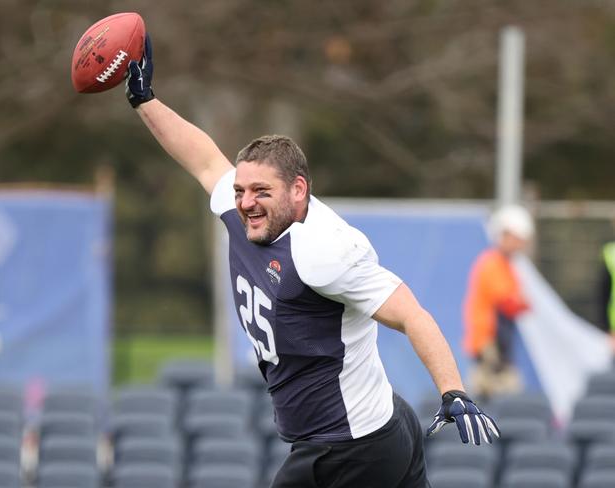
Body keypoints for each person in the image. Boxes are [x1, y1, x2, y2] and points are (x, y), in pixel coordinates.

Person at [123, 36, 499, 488]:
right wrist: (144, 100)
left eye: (262, 192)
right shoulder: (241, 209)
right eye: (241, 190)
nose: (245, 202)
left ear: (298, 190)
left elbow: (411, 315)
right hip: (370, 428)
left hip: (350, 448)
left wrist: (452, 390)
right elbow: (203, 159)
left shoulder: (324, 251)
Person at [462, 204, 534, 400]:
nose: (520, 244)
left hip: (497, 343)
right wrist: (524, 303)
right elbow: (508, 301)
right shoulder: (493, 264)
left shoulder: (505, 265)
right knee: (498, 394)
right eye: (516, 238)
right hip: (489, 345)